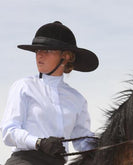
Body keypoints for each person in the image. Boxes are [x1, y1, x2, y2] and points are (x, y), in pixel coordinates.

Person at [0, 21, 99, 165]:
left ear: (65, 57)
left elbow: (82, 141)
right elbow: (9, 131)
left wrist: (103, 143)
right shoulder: (23, 86)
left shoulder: (77, 99)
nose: (39, 55)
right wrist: (39, 143)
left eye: (46, 51)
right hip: (25, 161)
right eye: (37, 51)